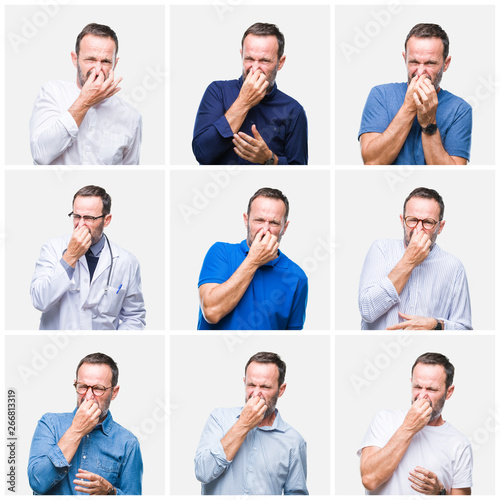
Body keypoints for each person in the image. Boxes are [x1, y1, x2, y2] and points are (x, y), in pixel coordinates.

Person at [31, 185, 146, 330]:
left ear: (106, 220)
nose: (80, 225)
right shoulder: (52, 249)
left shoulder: (127, 261)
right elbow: (40, 301)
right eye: (77, 216)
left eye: (89, 218)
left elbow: (134, 317)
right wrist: (70, 256)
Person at [193, 22, 308, 165]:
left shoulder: (294, 110)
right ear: (241, 55)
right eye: (249, 59)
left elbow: (299, 171)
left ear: (280, 62)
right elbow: (202, 154)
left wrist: (270, 159)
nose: (254, 69)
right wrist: (244, 101)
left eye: (264, 61)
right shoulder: (217, 91)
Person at [28, 353, 143, 495]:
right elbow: (37, 483)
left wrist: (110, 492)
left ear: (114, 392)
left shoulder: (128, 443)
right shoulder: (50, 424)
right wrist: (76, 430)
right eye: (82, 387)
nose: (88, 396)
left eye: (98, 388)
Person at [358, 187, 471, 330]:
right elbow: (367, 311)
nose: (418, 229)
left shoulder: (454, 267)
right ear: (402, 221)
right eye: (412, 220)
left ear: (440, 227)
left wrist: (436, 325)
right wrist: (409, 260)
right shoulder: (381, 250)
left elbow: (464, 329)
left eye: (428, 222)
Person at [195, 352, 308, 495]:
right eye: (251, 385)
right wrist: (243, 424)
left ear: (281, 390)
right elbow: (203, 472)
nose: (256, 394)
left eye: (265, 387)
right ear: (244, 382)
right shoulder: (219, 419)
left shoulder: (294, 441)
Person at [359, 352, 472, 495]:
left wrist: (440, 493)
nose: (422, 396)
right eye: (417, 387)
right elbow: (369, 480)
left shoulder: (459, 443)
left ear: (449, 392)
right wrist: (408, 427)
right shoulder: (384, 420)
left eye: (431, 389)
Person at [359, 23, 472, 165]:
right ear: (404, 59)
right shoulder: (380, 95)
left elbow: (452, 175)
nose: (420, 72)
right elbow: (372, 162)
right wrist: (409, 107)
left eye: (430, 63)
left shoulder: (460, 109)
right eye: (414, 62)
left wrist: (429, 123)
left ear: (446, 64)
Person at [30, 23, 142, 165]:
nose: (97, 69)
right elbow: (40, 155)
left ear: (115, 63)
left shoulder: (131, 116)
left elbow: (129, 174)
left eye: (106, 61)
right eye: (90, 59)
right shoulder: (52, 93)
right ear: (75, 59)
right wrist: (85, 101)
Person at [197, 187, 308, 330]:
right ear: (246, 220)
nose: (265, 229)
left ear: (284, 228)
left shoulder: (297, 277)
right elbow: (211, 312)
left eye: (274, 223)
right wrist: (254, 260)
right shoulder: (221, 252)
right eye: (259, 220)